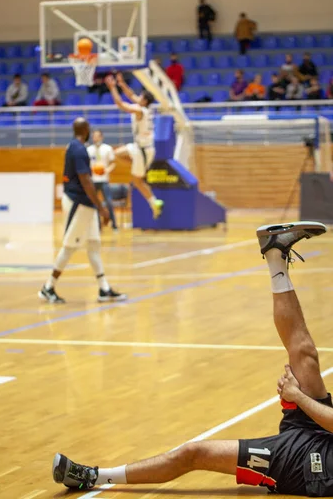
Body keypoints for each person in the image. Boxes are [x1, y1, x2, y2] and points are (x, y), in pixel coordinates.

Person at [53, 221, 333, 498]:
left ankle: (93, 476)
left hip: (310, 467)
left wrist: (297, 395)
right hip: (323, 432)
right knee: (303, 353)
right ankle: (275, 252)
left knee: (193, 453)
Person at [38, 118, 126, 304]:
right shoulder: (79, 150)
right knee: (69, 247)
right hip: (78, 203)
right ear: (86, 130)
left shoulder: (74, 147)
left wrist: (96, 206)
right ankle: (48, 287)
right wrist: (102, 209)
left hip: (87, 204)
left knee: (94, 245)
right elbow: (86, 181)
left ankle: (104, 289)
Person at [106, 73, 164, 220]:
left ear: (144, 101)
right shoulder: (146, 108)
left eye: (141, 97)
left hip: (143, 150)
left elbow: (120, 104)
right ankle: (137, 168)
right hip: (139, 147)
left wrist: (112, 88)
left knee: (137, 181)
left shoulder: (140, 111)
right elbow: (131, 95)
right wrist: (122, 83)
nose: (138, 97)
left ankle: (154, 202)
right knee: (115, 154)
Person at [87, 129, 118, 230]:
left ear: (101, 137)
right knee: (93, 202)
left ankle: (114, 224)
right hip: (93, 180)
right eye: (94, 136)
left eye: (97, 136)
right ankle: (95, 224)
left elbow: (113, 162)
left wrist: (107, 170)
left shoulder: (107, 148)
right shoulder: (89, 150)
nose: (95, 138)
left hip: (104, 179)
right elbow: (86, 164)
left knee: (108, 202)